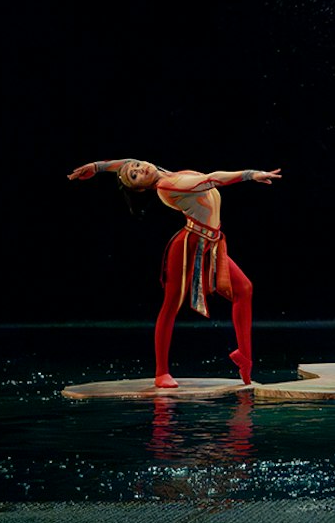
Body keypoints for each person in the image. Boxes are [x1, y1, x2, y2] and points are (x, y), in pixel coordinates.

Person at [69, 159, 280, 388]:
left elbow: (125, 162)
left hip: (211, 243)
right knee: (171, 304)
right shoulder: (168, 185)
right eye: (135, 175)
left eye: (138, 165)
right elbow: (212, 179)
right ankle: (161, 373)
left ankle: (244, 358)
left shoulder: (163, 174)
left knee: (244, 289)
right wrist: (250, 174)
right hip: (189, 246)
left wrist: (97, 167)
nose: (140, 168)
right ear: (141, 188)